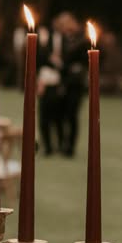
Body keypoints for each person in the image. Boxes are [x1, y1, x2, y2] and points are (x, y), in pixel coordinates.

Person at [58, 13, 89, 157]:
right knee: (61, 115)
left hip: (76, 84)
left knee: (72, 115)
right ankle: (61, 143)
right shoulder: (61, 39)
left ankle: (70, 146)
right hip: (63, 82)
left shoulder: (82, 39)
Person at [37, 18, 64, 155]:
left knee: (58, 117)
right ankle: (47, 145)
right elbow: (40, 60)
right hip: (46, 81)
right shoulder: (46, 39)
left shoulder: (66, 40)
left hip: (58, 82)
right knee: (44, 116)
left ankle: (61, 144)